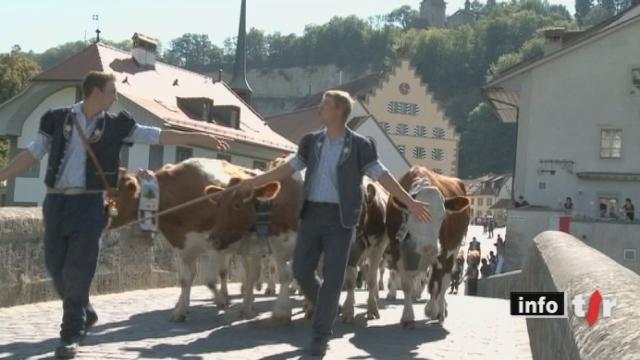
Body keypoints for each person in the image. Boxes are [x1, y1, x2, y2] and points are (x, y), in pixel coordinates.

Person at [0, 71, 229, 359]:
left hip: (91, 204)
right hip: (56, 203)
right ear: (96, 92)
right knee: (56, 266)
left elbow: (158, 136)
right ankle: (84, 310)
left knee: (78, 269)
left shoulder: (118, 125)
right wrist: (1, 176)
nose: (116, 96)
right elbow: (33, 153)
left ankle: (70, 334)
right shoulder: (55, 118)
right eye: (112, 91)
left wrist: (199, 137)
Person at [235, 90, 431, 356]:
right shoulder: (310, 142)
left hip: (341, 220)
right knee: (302, 270)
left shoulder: (362, 146)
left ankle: (320, 335)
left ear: (339, 111)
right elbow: (288, 168)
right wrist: (254, 182)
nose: (320, 108)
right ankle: (327, 307)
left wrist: (409, 201)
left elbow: (382, 175)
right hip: (311, 214)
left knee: (333, 278)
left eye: (325, 105)